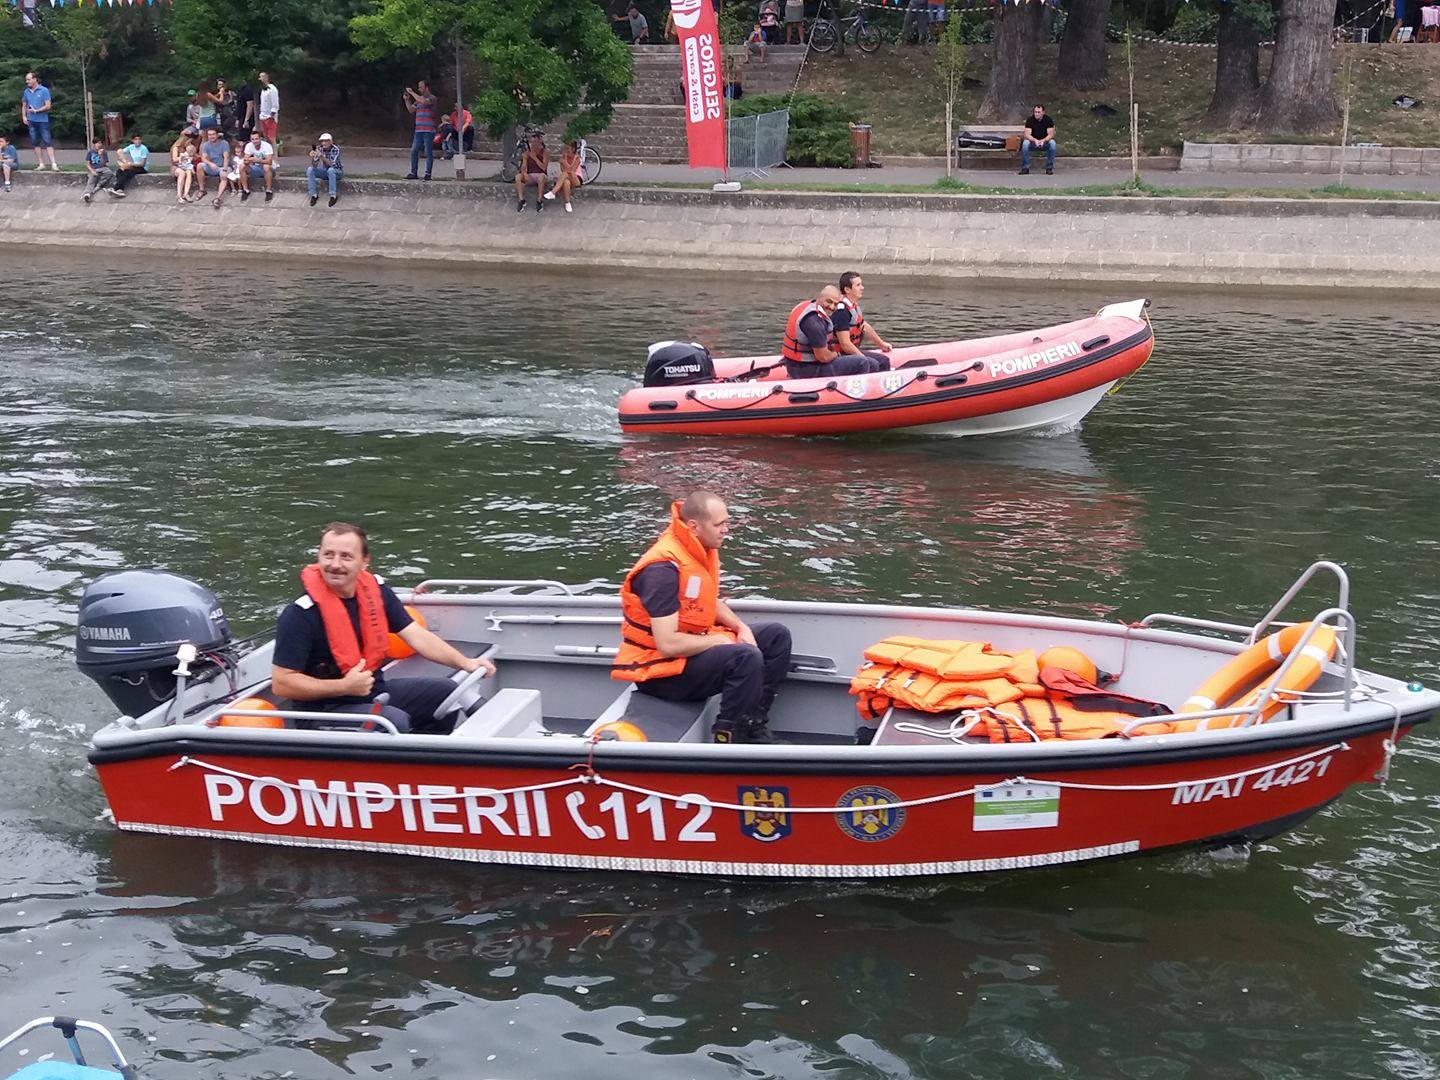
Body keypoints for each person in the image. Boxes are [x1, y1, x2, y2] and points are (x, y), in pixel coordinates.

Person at [271, 522, 496, 735]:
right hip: (323, 712)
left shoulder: (375, 593)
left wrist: (466, 663)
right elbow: (282, 684)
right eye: (328, 555)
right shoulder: (300, 614)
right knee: (392, 721)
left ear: (364, 561)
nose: (335, 564)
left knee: (445, 692)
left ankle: (430, 757)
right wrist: (343, 686)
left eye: (346, 556)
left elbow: (416, 635)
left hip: (372, 693)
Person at [613, 492, 792, 744]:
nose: (726, 530)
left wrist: (740, 627)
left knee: (775, 636)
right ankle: (731, 738)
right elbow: (668, 644)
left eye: (726, 522)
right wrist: (718, 641)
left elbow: (705, 600)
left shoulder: (695, 552)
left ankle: (752, 724)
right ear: (694, 526)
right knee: (744, 657)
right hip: (662, 674)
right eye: (719, 524)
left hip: (688, 653)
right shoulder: (662, 570)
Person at [781, 285, 888, 378]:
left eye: (836, 304)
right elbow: (823, 357)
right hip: (805, 369)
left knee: (877, 362)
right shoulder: (814, 322)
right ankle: (859, 392)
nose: (832, 307)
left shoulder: (808, 307)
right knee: (862, 363)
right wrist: (836, 354)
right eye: (829, 301)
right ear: (819, 298)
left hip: (800, 364)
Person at [833, 271, 894, 361]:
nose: (862, 288)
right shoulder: (842, 311)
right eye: (858, 285)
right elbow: (845, 344)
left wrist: (881, 344)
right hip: (840, 356)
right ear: (847, 289)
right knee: (872, 363)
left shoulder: (853, 306)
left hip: (849, 353)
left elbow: (864, 326)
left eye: (861, 284)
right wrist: (863, 358)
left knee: (883, 360)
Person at [20, 72, 58, 172]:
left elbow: (48, 105)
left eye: (28, 79)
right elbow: (24, 105)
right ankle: (41, 164)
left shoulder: (44, 90)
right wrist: (24, 116)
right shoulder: (26, 91)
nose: (27, 81)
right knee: (35, 142)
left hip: (42, 120)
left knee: (47, 141)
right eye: (26, 79)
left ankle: (53, 163)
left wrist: (37, 110)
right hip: (31, 120)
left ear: (35, 79)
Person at [403, 80, 438, 180]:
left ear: (427, 88)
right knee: (414, 150)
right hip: (418, 130)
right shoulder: (417, 100)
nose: (419, 89)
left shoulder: (432, 98)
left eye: (421, 87)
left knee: (428, 151)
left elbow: (424, 101)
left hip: (429, 130)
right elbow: (411, 110)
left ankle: (428, 173)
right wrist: (407, 100)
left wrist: (412, 92)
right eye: (418, 87)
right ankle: (413, 172)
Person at [543, 139, 581, 213]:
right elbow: (563, 170)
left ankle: (553, 192)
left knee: (565, 174)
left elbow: (571, 171)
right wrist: (563, 163)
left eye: (568, 148)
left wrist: (564, 163)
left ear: (573, 149)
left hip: (576, 178)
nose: (566, 150)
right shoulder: (564, 157)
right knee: (566, 182)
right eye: (565, 148)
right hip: (567, 178)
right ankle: (567, 203)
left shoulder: (577, 158)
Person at [514, 132, 549, 212]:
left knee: (541, 177)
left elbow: (543, 167)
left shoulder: (545, 153)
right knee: (518, 177)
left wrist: (535, 158)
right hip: (530, 175)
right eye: (532, 142)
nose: (533, 144)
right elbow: (523, 167)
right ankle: (521, 200)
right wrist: (524, 173)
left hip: (541, 175)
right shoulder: (527, 153)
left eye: (535, 142)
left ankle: (539, 200)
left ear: (539, 142)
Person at [306, 133, 343, 207]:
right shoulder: (319, 149)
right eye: (322, 141)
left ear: (331, 142)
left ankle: (333, 196)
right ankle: (313, 195)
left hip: (337, 172)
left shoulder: (336, 149)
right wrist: (313, 157)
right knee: (310, 170)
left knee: (331, 170)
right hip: (326, 171)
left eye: (326, 141)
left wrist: (321, 157)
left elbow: (332, 164)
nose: (324, 143)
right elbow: (314, 165)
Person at [238, 130, 276, 202]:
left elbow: (269, 161)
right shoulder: (249, 146)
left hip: (268, 169)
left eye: (256, 139)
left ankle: (268, 190)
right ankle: (245, 190)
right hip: (255, 167)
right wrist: (248, 160)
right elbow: (245, 159)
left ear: (260, 139)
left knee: (266, 166)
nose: (255, 141)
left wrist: (257, 160)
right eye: (252, 139)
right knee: (242, 166)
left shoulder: (267, 146)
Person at [1020, 103, 1056, 175]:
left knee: (1052, 143)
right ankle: (1025, 168)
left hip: (1045, 142)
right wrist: (1035, 140)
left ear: (1043, 112)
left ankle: (1049, 168)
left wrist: (1043, 140)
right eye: (1035, 112)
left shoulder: (1048, 120)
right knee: (1025, 144)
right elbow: (1027, 134)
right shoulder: (1030, 120)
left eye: (1039, 112)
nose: (1036, 114)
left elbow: (1051, 135)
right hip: (1033, 142)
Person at [197, 127, 231, 204]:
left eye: (213, 134)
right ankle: (202, 190)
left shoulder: (224, 143)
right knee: (199, 166)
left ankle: (218, 197)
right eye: (209, 135)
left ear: (217, 135)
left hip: (222, 167)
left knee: (224, 175)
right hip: (212, 166)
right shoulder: (206, 145)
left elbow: (226, 157)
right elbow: (203, 158)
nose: (211, 136)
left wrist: (225, 169)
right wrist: (210, 163)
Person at [82, 138, 114, 203]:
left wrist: (101, 155)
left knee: (109, 173)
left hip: (103, 168)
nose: (99, 145)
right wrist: (92, 171)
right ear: (94, 144)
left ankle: (98, 185)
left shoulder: (104, 152)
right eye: (97, 143)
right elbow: (88, 164)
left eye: (100, 143)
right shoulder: (90, 152)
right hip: (94, 168)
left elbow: (104, 163)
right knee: (91, 179)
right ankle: (87, 194)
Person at [170, 132, 197, 203]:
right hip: (176, 166)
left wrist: (192, 156)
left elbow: (194, 156)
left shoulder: (187, 148)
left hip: (186, 166)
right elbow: (174, 159)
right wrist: (183, 158)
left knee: (189, 172)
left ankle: (186, 193)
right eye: (188, 141)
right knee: (182, 173)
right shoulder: (176, 148)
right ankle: (179, 195)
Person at [257, 71, 280, 145]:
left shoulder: (272, 89)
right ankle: (268, 151)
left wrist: (271, 115)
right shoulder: (263, 90)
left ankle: (275, 152)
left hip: (269, 117)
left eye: (261, 77)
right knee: (266, 137)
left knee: (271, 137)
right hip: (263, 116)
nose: (260, 79)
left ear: (266, 77)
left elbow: (275, 104)